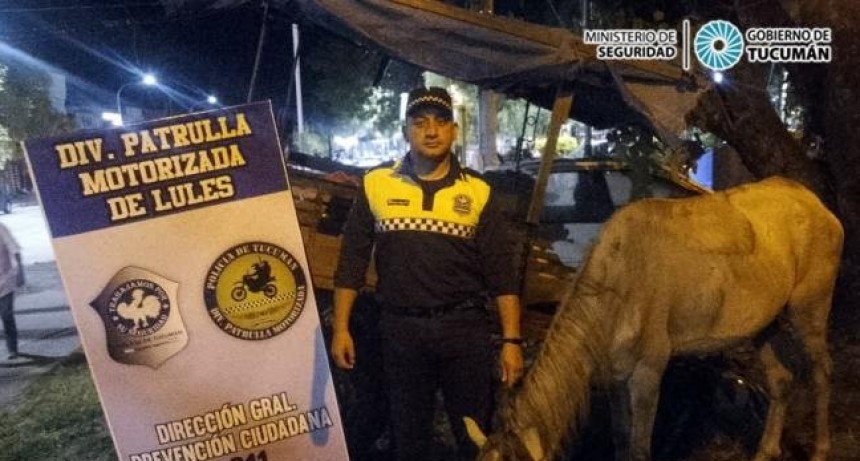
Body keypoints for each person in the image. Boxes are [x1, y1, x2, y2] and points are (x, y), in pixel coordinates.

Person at [331, 86, 524, 461]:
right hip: (401, 333)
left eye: (440, 122)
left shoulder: (479, 191)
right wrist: (341, 328)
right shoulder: (376, 184)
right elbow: (351, 260)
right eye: (420, 123)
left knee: (475, 440)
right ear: (405, 131)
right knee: (409, 441)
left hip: (464, 332)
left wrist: (512, 342)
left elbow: (502, 273)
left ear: (454, 130)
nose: (431, 131)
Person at [0, 222, 23, 360]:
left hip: (5, 281)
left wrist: (21, 272)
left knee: (6, 315)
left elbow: (14, 249)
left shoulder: (1, 228)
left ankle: (12, 349)